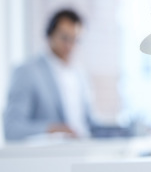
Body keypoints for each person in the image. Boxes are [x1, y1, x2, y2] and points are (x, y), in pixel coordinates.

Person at [3, 9, 94, 140]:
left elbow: (89, 123)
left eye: (76, 40)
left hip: (84, 151)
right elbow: (12, 128)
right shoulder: (27, 72)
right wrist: (52, 129)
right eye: (65, 38)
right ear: (50, 35)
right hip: (50, 156)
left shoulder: (80, 75)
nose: (70, 46)